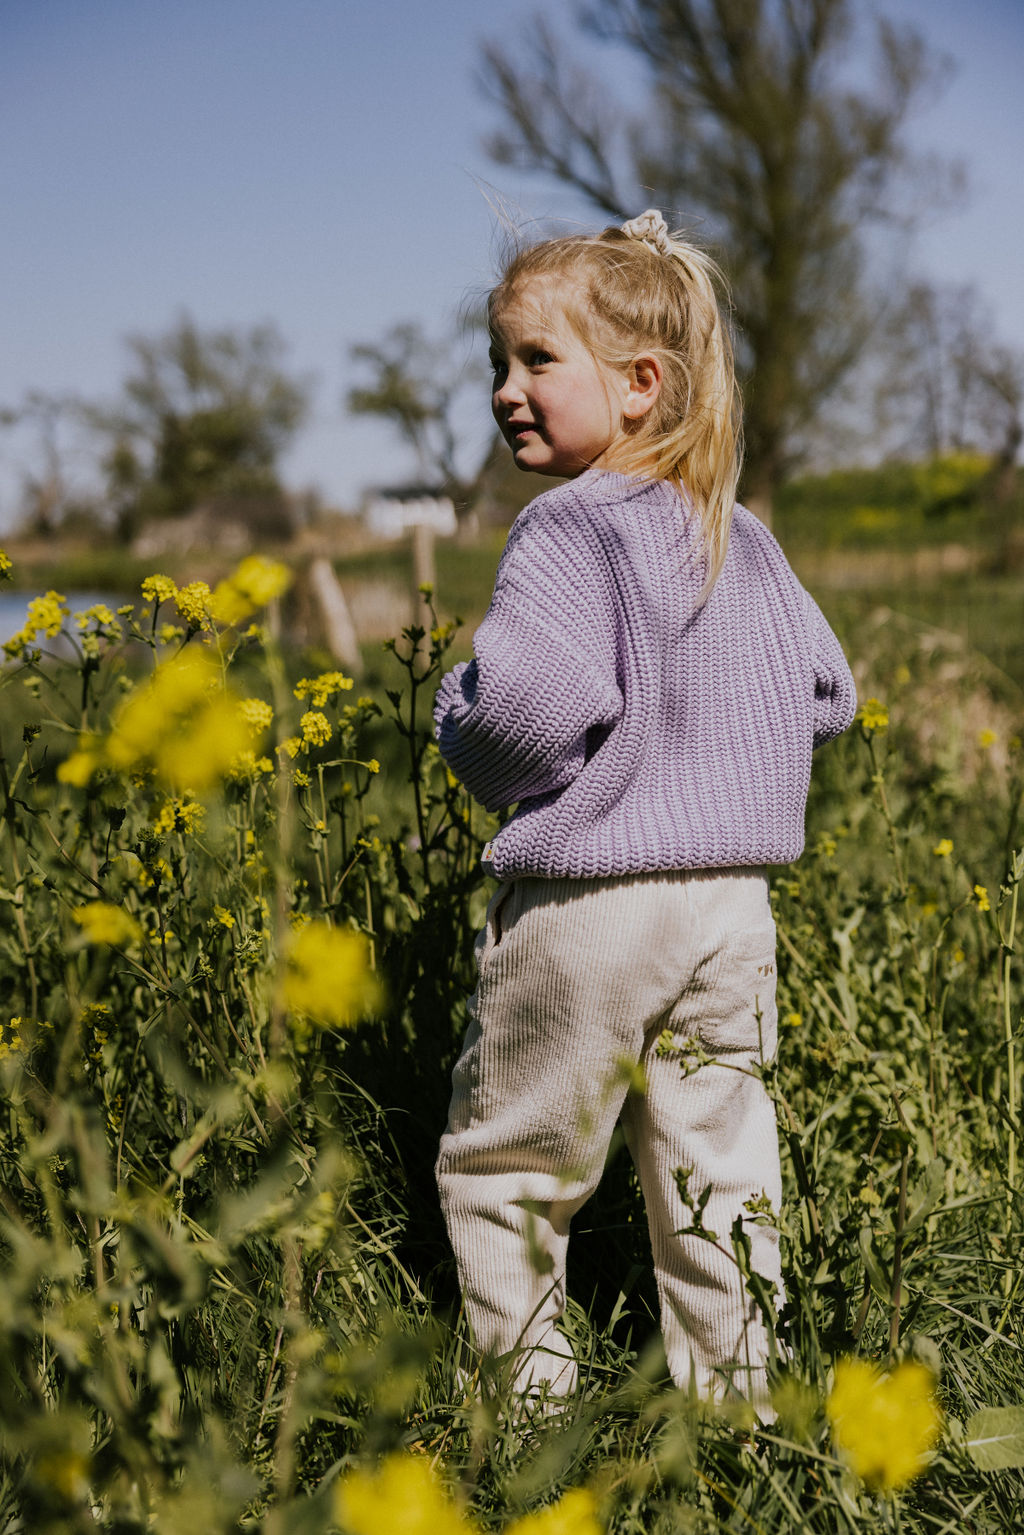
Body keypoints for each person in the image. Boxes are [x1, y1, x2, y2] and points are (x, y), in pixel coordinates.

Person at [432, 210, 856, 1412]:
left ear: (639, 387)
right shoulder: (741, 533)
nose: (506, 391)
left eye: (534, 360)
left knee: (510, 1164)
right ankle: (734, 1411)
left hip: (591, 906)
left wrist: (455, 709)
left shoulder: (567, 529)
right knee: (717, 1168)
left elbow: (522, 719)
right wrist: (723, 735)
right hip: (731, 909)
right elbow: (826, 691)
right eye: (497, 366)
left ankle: (529, 1418)